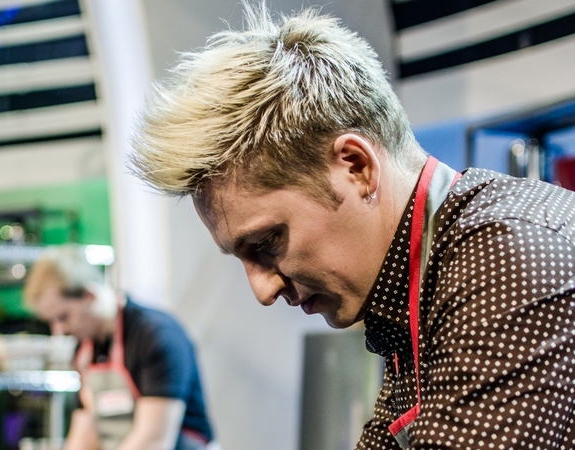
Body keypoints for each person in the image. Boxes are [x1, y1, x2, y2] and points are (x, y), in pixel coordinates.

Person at [128, 3, 575, 449]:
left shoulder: (505, 254)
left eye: (267, 241)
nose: (262, 291)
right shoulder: (417, 280)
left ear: (357, 167)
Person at [23, 245, 214, 450]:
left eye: (63, 317)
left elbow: (154, 439)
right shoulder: (84, 351)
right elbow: (85, 431)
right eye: (51, 322)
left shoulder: (156, 335)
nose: (59, 331)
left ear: (89, 295)